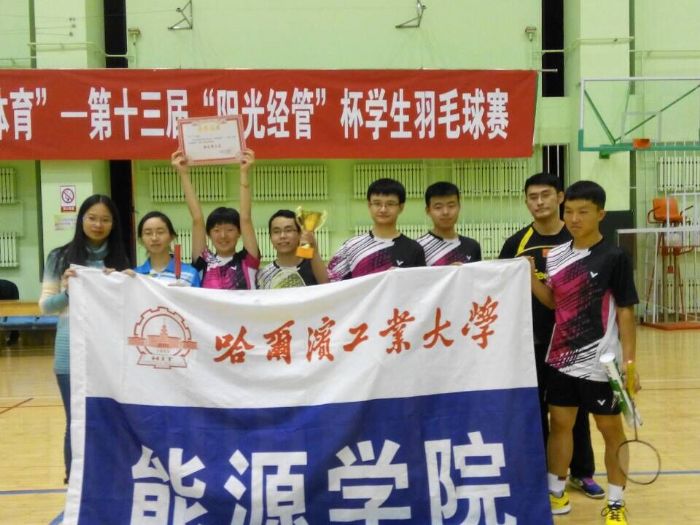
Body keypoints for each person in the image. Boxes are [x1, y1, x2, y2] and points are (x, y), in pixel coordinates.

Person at [530, 180, 640, 525]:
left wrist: (630, 363)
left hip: (601, 362)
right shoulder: (557, 255)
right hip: (561, 358)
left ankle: (616, 502)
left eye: (583, 212)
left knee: (610, 430)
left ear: (600, 214)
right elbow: (553, 302)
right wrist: (530, 277)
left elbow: (625, 311)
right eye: (570, 212)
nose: (575, 219)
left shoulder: (614, 257)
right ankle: (556, 493)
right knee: (560, 424)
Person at [499, 172, 602, 498]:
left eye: (546, 195)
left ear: (560, 198)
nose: (539, 202)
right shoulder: (515, 244)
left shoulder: (577, 239)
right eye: (532, 197)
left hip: (574, 343)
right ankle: (544, 472)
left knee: (575, 412)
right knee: (536, 410)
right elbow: (500, 289)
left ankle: (582, 472)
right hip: (530, 342)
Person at [38, 194, 130, 485]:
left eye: (105, 219)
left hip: (108, 354)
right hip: (70, 354)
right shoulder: (59, 257)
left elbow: (125, 307)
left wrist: (122, 283)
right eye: (92, 218)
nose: (98, 224)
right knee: (76, 421)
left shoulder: (120, 259)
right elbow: (45, 306)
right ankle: (75, 485)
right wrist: (68, 291)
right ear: (81, 220)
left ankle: (107, 481)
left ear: (113, 224)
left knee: (110, 420)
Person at [172, 148, 260, 289]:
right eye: (217, 230)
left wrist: (244, 172)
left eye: (230, 230)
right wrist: (183, 173)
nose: (223, 235)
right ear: (209, 234)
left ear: (239, 232)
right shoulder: (205, 261)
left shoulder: (247, 260)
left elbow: (245, 218)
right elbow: (197, 218)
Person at [327, 178, 426, 280]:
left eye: (390, 204)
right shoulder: (351, 246)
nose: (383, 209)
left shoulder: (414, 249)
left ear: (401, 207)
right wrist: (317, 253)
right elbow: (330, 281)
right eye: (377, 203)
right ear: (369, 205)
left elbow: (421, 286)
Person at [256, 209, 329, 289]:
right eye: (276, 231)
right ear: (270, 237)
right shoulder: (264, 275)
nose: (282, 236)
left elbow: (328, 289)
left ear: (300, 234)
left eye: (288, 230)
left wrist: (314, 250)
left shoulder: (315, 269)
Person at [417, 181, 481, 265]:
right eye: (438, 207)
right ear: (428, 211)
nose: (445, 212)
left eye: (451, 206)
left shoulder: (472, 246)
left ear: (459, 207)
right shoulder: (418, 247)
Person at [133, 211, 200, 286]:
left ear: (171, 237)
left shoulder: (190, 274)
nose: (154, 238)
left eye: (160, 232)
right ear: (141, 240)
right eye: (148, 233)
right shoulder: (135, 275)